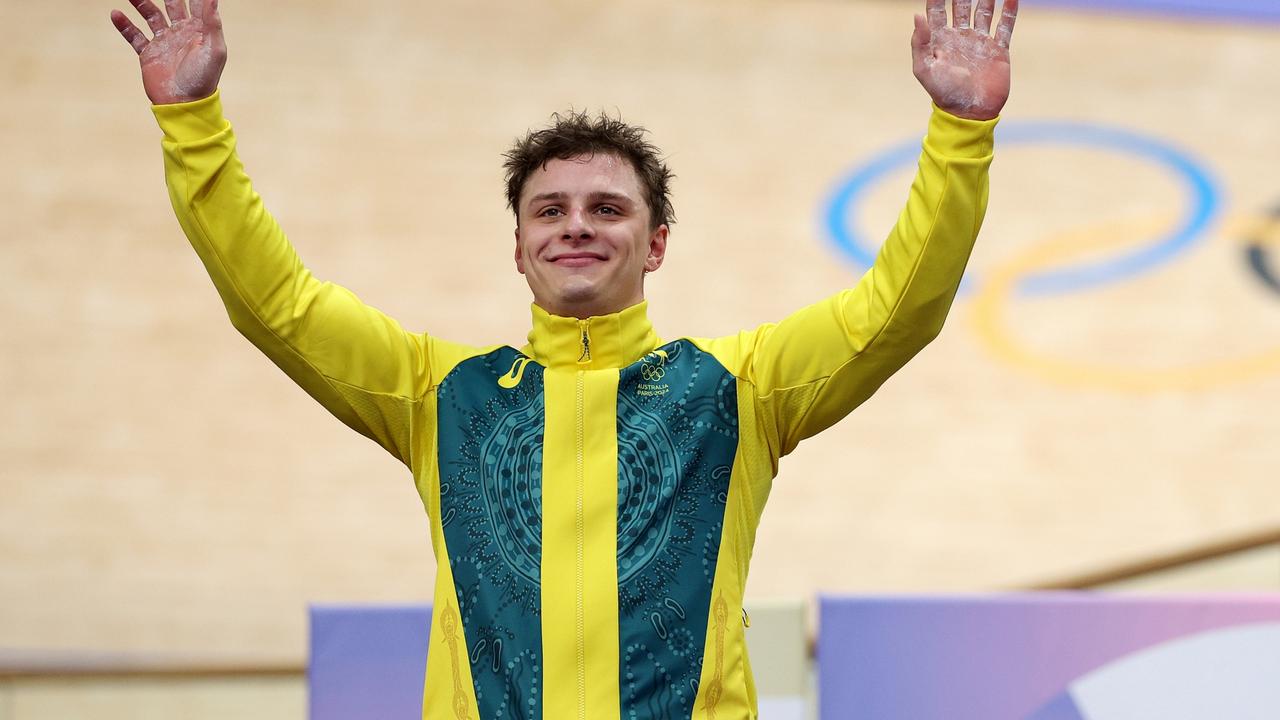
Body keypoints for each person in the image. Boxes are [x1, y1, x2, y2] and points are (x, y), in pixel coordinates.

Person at [110, 0, 1017, 717]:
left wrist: (958, 136)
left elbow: (900, 308)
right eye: (549, 211)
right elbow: (276, 303)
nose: (576, 224)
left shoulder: (739, 387)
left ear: (657, 243)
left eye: (606, 208)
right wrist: (192, 120)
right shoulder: (438, 393)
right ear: (517, 249)